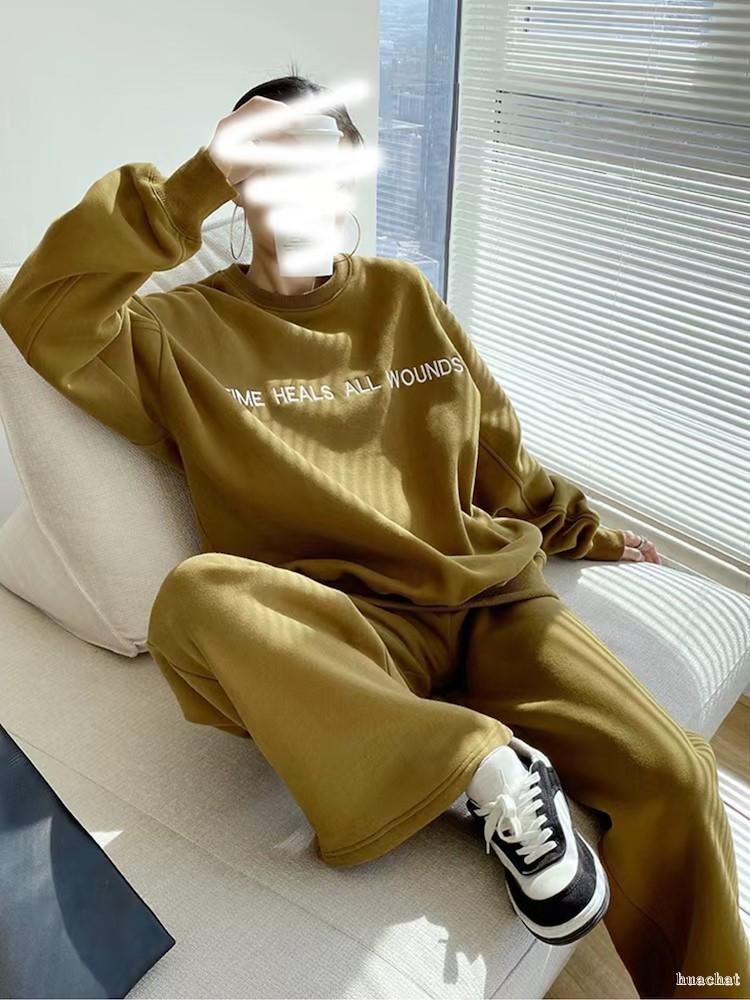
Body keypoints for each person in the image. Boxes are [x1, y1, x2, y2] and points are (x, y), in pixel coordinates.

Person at [0, 71, 747, 1000]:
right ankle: (480, 764)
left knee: (673, 773)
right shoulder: (176, 329)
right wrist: (192, 181)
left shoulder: (404, 296)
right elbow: (42, 310)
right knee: (196, 597)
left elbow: (497, 453)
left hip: (493, 605)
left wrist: (584, 529)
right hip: (350, 637)